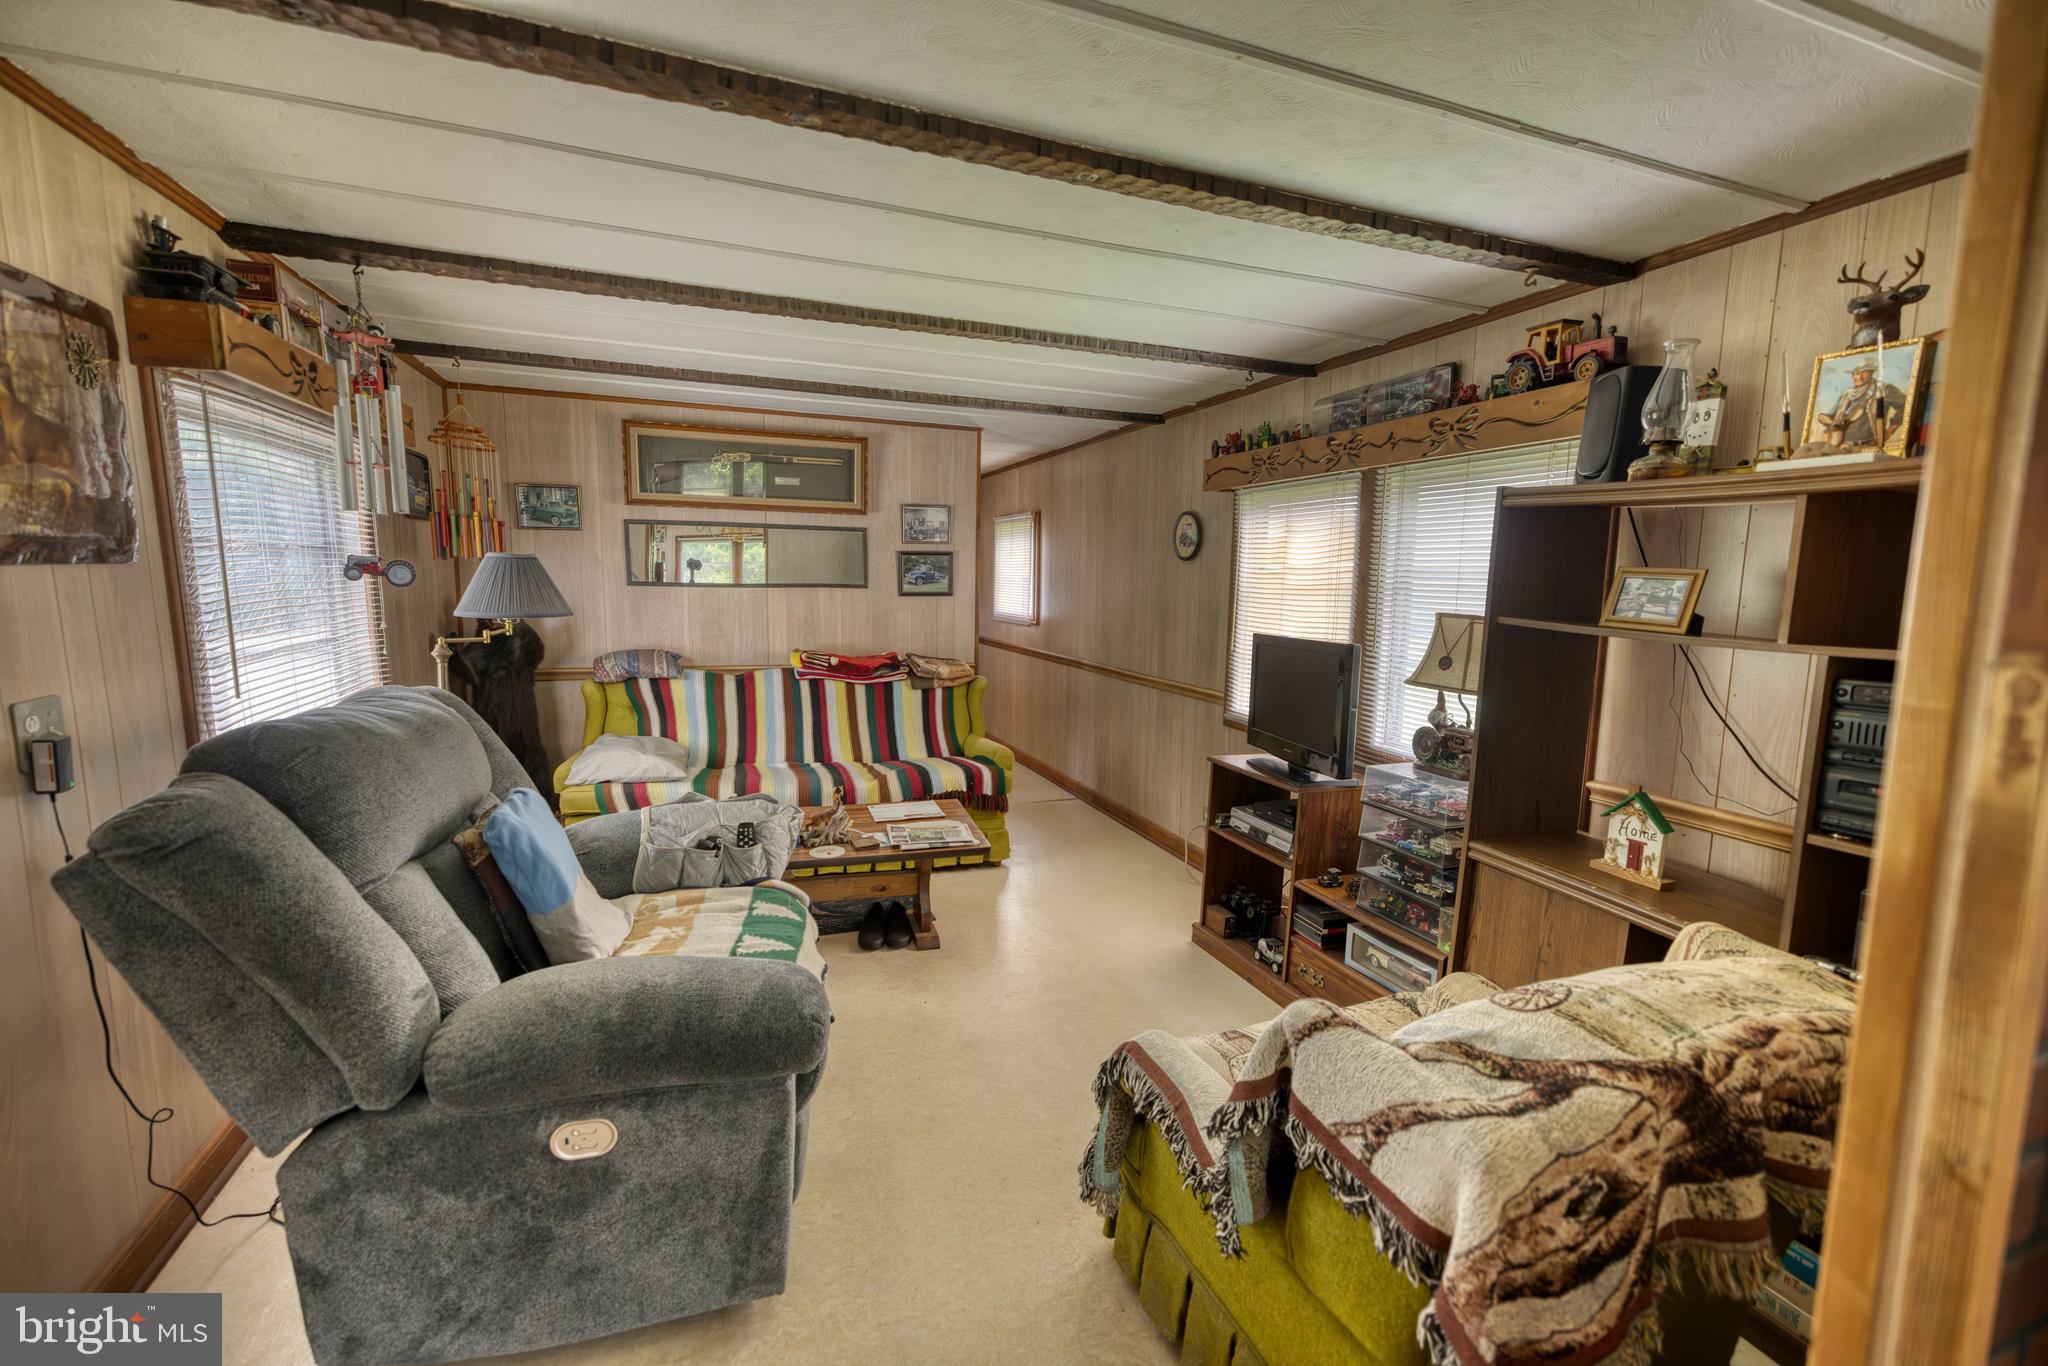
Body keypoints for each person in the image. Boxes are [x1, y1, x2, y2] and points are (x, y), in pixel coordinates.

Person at [1819, 359, 1908, 450]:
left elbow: (1906, 405)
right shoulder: (1847, 394)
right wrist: (1830, 421)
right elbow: (1831, 415)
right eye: (1855, 373)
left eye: (1864, 372)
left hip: (1869, 447)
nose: (1859, 376)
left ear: (1871, 373)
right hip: (1843, 447)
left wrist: (1890, 430)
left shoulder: (1885, 389)